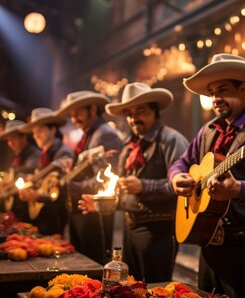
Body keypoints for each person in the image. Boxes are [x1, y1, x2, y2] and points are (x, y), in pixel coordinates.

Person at [169, 54, 245, 298]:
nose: (215, 99)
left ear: (243, 88)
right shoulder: (208, 130)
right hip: (208, 240)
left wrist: (239, 190)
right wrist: (176, 179)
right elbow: (180, 163)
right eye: (212, 92)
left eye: (222, 90)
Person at [80, 82, 189, 282]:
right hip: (131, 232)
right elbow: (123, 193)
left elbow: (184, 187)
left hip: (160, 232)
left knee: (156, 289)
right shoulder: (129, 148)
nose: (133, 118)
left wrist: (143, 185)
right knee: (131, 287)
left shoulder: (171, 140)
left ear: (154, 111)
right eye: (129, 113)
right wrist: (102, 204)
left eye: (140, 111)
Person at [55, 91, 124, 264]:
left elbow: (105, 179)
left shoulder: (104, 134)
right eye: (71, 115)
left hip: (94, 216)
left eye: (77, 113)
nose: (73, 119)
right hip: (83, 213)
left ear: (92, 109)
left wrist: (72, 185)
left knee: (92, 265)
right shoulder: (90, 134)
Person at [18, 108, 74, 235]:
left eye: (40, 130)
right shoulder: (43, 154)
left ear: (53, 129)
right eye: (34, 131)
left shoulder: (63, 152)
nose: (36, 134)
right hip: (42, 216)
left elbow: (60, 190)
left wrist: (37, 196)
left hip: (55, 217)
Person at [0, 119, 41, 222]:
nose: (11, 143)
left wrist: (10, 175)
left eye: (14, 139)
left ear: (24, 137)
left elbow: (29, 169)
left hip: (28, 207)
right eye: (8, 140)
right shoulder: (15, 155)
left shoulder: (34, 154)